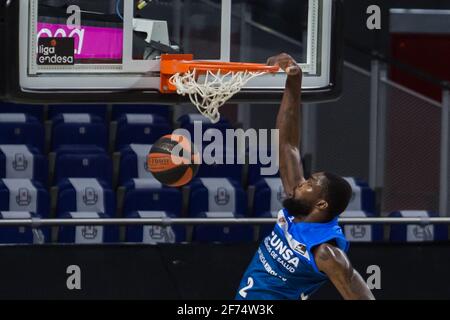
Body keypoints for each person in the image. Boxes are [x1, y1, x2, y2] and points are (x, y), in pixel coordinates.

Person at [235, 53, 375, 300]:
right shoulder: (296, 204)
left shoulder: (325, 253)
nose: (302, 182)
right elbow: (288, 144)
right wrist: (294, 81)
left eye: (310, 184)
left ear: (321, 204)